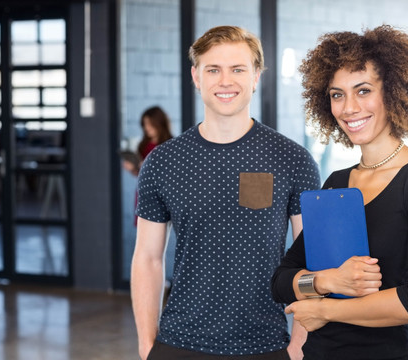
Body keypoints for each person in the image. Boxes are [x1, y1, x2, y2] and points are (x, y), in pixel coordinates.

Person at [131, 25, 320, 360]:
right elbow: (147, 259)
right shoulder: (162, 161)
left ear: (256, 76)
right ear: (196, 76)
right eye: (213, 69)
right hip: (179, 343)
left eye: (237, 69)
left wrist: (299, 344)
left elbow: (313, 259)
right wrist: (147, 345)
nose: (225, 81)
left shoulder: (292, 159)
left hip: (268, 345)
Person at [271, 25, 408, 360]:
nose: (349, 107)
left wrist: (326, 311)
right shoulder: (337, 182)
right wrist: (327, 281)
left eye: (363, 90)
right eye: (337, 94)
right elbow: (281, 280)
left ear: (394, 92)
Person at [122, 106, 173, 177]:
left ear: (159, 123)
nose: (146, 128)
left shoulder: (171, 145)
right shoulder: (143, 145)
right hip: (144, 186)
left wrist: (147, 167)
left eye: (150, 124)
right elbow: (141, 176)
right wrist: (133, 169)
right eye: (144, 124)